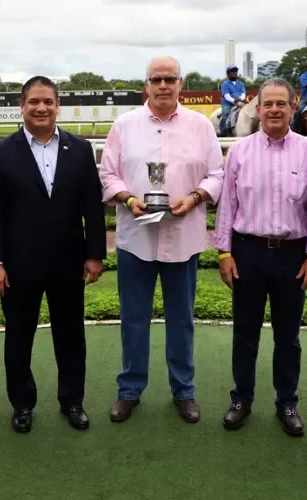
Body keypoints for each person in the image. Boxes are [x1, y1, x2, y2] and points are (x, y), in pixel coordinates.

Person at [99, 56, 224, 424]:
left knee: (182, 319)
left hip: (182, 238)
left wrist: (196, 197)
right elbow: (108, 175)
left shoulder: (201, 126)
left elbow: (217, 174)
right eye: (157, 79)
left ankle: (183, 391)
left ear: (181, 83)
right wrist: (129, 199)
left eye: (170, 79)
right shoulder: (124, 125)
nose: (164, 85)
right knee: (133, 318)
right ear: (147, 85)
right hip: (136, 238)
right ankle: (130, 390)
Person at [0, 76, 107, 433]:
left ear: (57, 107)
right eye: (34, 101)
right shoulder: (0, 153)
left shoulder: (80, 149)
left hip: (68, 263)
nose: (41, 108)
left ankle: (72, 401)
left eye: (48, 102)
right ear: (22, 106)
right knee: (19, 337)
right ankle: (22, 403)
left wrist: (95, 253)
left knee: (70, 336)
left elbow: (92, 208)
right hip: (18, 266)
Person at [212, 78, 307, 436]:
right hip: (248, 252)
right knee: (245, 333)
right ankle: (241, 398)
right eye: (267, 104)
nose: (274, 109)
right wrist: (224, 251)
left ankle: (287, 401)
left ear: (294, 106)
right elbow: (228, 205)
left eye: (281, 103)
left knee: (288, 336)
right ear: (257, 109)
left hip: (292, 256)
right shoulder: (240, 152)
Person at [219, 65, 246, 136]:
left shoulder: (241, 84)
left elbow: (243, 94)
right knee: (225, 115)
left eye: (236, 71)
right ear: (228, 74)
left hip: (239, 102)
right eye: (232, 71)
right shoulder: (225, 84)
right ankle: (223, 132)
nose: (235, 73)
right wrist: (234, 101)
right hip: (228, 104)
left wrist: (241, 99)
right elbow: (227, 96)